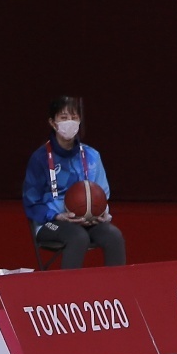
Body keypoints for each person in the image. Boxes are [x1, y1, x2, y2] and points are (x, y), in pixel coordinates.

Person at [22, 96, 127, 269]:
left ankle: (116, 285)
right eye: (64, 118)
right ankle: (68, 286)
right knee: (78, 237)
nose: (69, 122)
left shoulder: (92, 155)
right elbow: (31, 202)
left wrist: (98, 213)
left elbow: (102, 194)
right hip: (51, 223)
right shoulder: (40, 158)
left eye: (74, 117)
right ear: (52, 122)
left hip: (87, 220)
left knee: (113, 236)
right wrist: (56, 216)